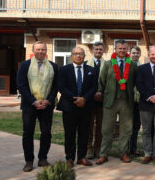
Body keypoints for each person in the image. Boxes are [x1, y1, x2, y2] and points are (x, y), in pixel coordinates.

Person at [17, 41, 59, 172]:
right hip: (29, 106)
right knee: (28, 133)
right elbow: (21, 85)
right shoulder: (25, 65)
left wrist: (48, 100)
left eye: (43, 49)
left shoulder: (53, 66)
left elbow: (56, 86)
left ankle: (42, 158)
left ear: (46, 51)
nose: (41, 52)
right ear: (34, 50)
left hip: (46, 106)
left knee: (46, 133)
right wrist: (34, 101)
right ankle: (29, 161)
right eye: (38, 49)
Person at [94, 39, 138, 165]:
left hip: (126, 101)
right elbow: (102, 81)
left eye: (124, 48)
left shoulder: (133, 65)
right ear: (115, 49)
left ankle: (123, 153)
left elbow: (135, 81)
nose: (122, 51)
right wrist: (100, 92)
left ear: (127, 50)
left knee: (126, 129)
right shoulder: (108, 64)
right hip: (110, 101)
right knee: (106, 129)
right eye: (120, 48)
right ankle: (104, 154)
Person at [57, 46, 97, 167]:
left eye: (81, 54)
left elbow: (94, 87)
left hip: (85, 106)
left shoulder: (91, 70)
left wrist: (84, 99)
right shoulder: (64, 70)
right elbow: (62, 87)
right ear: (71, 56)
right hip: (69, 106)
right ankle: (69, 158)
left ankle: (81, 157)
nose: (78, 56)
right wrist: (75, 99)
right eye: (76, 53)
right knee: (69, 133)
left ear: (84, 56)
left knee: (84, 133)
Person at [86, 42, 104, 160]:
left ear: (103, 51)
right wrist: (93, 94)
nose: (98, 51)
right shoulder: (86, 64)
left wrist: (101, 92)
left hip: (103, 99)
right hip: (90, 100)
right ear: (93, 50)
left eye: (100, 50)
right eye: (96, 49)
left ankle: (98, 148)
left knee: (100, 126)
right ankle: (89, 148)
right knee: (89, 125)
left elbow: (110, 81)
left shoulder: (107, 64)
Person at [129, 45, 142, 156]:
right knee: (127, 125)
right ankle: (126, 148)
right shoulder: (126, 66)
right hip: (128, 101)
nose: (135, 55)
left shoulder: (142, 67)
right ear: (130, 54)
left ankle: (133, 148)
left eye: (137, 53)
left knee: (136, 126)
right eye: (133, 53)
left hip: (139, 102)